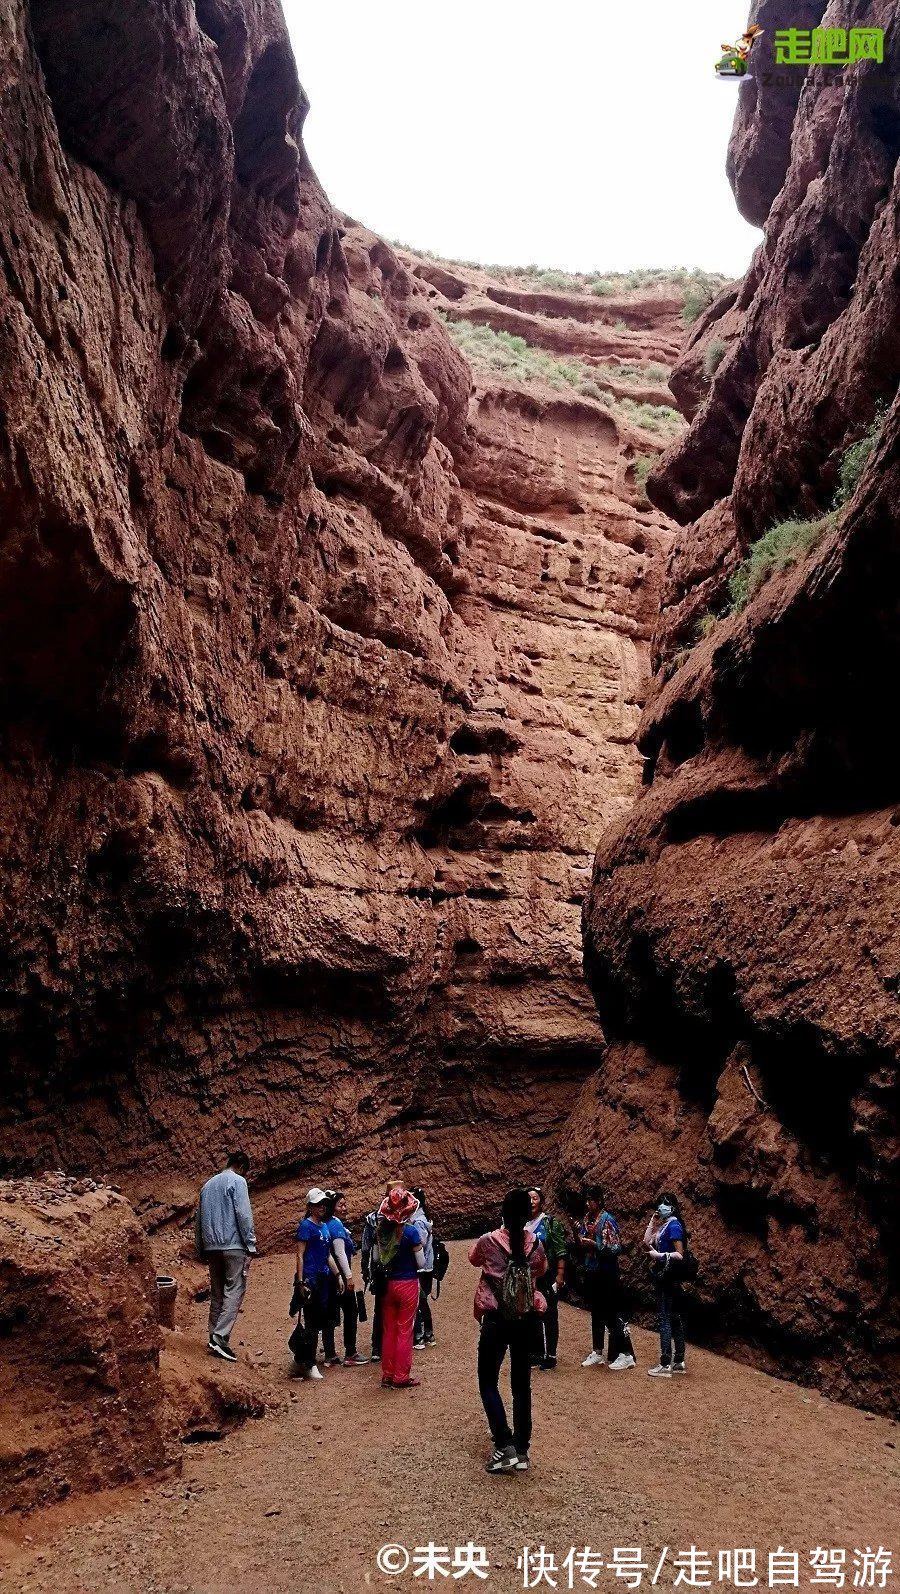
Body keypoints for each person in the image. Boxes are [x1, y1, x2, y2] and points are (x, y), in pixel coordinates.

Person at [469, 1187, 546, 1474]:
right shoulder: (536, 1244)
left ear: (502, 1211)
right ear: (528, 1215)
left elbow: (473, 1259)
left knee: (488, 1380)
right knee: (521, 1385)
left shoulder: (489, 1241)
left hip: (496, 1319)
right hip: (525, 1320)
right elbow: (539, 1270)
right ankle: (522, 1449)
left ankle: (504, 1442)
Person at [195, 1150, 257, 1363]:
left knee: (217, 1292)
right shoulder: (237, 1181)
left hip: (212, 1247)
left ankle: (213, 1334)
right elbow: (243, 1213)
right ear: (241, 1167)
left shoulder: (207, 1185)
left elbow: (199, 1218)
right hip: (233, 1245)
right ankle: (220, 1337)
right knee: (235, 1288)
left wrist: (201, 1247)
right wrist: (250, 1244)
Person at [571, 1186, 633, 1369]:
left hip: (608, 1272)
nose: (587, 1203)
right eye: (587, 1200)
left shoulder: (608, 1220)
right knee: (596, 1312)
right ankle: (597, 1351)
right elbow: (580, 1244)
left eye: (591, 1200)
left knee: (611, 1312)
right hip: (592, 1270)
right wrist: (577, 1234)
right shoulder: (587, 1219)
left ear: (599, 1201)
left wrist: (596, 1246)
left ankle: (625, 1353)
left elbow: (616, 1248)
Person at [374, 1186, 427, 1388]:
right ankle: (401, 1376)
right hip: (407, 1283)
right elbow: (421, 1263)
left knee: (388, 1330)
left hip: (387, 1285)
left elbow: (378, 1259)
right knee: (405, 1330)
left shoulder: (382, 1231)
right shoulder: (411, 1232)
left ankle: (387, 1373)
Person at [291, 1188, 344, 1380]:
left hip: (325, 1278)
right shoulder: (306, 1226)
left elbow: (328, 1253)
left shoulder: (324, 1226)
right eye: (318, 1204)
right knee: (312, 1322)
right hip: (311, 1279)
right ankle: (310, 1363)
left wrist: (337, 1275)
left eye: (323, 1203)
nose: (322, 1207)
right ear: (310, 1207)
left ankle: (313, 1359)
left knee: (324, 1319)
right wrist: (300, 1281)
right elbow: (300, 1254)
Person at [322, 1192, 368, 1367]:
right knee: (351, 1311)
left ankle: (330, 1353)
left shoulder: (326, 1224)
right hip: (339, 1275)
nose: (345, 1208)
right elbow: (340, 1253)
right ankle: (350, 1353)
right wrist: (348, 1277)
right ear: (332, 1207)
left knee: (330, 1314)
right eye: (341, 1205)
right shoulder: (335, 1226)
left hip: (329, 1277)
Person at [644, 1191, 687, 1377]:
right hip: (666, 1276)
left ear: (673, 1207)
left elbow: (680, 1254)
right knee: (675, 1317)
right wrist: (653, 1222)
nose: (661, 1206)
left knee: (665, 1318)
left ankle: (665, 1363)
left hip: (669, 1277)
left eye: (665, 1203)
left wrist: (659, 1256)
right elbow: (646, 1241)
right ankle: (678, 1361)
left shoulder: (674, 1226)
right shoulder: (665, 1225)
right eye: (659, 1203)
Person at [527, 1188, 567, 1371]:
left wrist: (560, 1274)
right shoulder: (522, 1224)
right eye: (528, 1199)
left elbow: (560, 1250)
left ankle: (550, 1355)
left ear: (541, 1201)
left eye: (535, 1198)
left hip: (547, 1275)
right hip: (528, 1276)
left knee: (549, 1314)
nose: (532, 1202)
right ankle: (535, 1353)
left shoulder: (550, 1223)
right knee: (532, 1313)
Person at [411, 1187, 436, 1349]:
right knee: (422, 1301)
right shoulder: (421, 1218)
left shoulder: (419, 1221)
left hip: (421, 1267)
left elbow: (419, 1243)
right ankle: (428, 1333)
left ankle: (420, 1335)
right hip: (426, 1267)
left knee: (419, 1301)